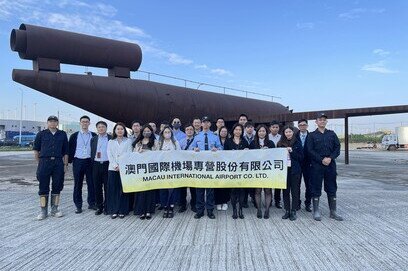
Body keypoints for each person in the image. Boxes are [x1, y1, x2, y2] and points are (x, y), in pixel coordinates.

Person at [307, 113, 343, 221]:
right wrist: (321, 159)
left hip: (330, 165)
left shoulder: (331, 134)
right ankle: (316, 211)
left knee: (332, 187)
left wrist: (330, 158)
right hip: (317, 165)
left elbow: (337, 148)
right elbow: (309, 150)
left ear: (326, 122)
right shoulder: (312, 135)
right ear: (316, 122)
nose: (322, 121)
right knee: (315, 187)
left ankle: (333, 211)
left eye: (324, 120)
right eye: (320, 120)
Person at [33, 115, 69, 220]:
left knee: (57, 185)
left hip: (58, 162)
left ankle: (54, 209)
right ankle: (43, 211)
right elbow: (36, 150)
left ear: (57, 123)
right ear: (47, 123)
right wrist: (39, 163)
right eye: (50, 121)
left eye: (54, 121)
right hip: (44, 162)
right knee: (43, 186)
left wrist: (65, 165)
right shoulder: (41, 134)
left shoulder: (62, 134)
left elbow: (66, 151)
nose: (52, 123)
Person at [192, 116, 222, 219]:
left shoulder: (215, 136)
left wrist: (216, 149)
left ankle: (210, 210)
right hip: (200, 166)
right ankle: (200, 210)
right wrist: (194, 149)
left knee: (210, 190)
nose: (205, 124)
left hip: (210, 166)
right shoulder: (196, 136)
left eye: (207, 122)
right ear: (201, 124)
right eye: (203, 122)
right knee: (199, 190)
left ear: (210, 124)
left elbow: (221, 148)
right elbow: (191, 148)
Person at [68, 115, 97, 214]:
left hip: (89, 161)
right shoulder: (74, 135)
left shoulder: (93, 135)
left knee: (91, 183)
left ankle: (92, 203)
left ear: (89, 123)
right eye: (83, 121)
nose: (85, 123)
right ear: (80, 123)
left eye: (86, 121)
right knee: (78, 184)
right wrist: (68, 162)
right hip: (78, 161)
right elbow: (70, 149)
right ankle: (78, 205)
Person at [106, 122, 132, 219]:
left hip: (124, 169)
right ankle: (114, 210)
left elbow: (129, 154)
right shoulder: (111, 142)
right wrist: (115, 165)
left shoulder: (128, 141)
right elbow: (109, 154)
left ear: (124, 130)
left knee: (123, 190)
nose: (120, 130)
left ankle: (123, 210)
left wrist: (121, 165)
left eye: (121, 129)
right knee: (113, 190)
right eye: (118, 129)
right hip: (113, 169)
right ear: (115, 131)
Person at [249, 124, 275, 219]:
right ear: (257, 132)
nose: (261, 133)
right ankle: (259, 209)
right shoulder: (253, 143)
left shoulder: (271, 143)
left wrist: (269, 151)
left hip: (268, 170)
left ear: (266, 132)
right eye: (260, 131)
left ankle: (267, 210)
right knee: (258, 190)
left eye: (263, 131)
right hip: (257, 170)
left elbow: (275, 156)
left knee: (268, 190)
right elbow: (249, 157)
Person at [133, 124, 159, 220]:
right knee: (141, 191)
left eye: (148, 131)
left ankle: (148, 211)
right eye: (144, 131)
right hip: (140, 170)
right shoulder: (138, 142)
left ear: (151, 132)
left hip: (151, 170)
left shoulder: (155, 142)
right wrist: (137, 152)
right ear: (142, 132)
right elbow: (133, 155)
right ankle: (141, 211)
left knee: (150, 191)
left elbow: (158, 154)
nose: (146, 133)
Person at [278, 126, 304, 221]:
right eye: (286, 132)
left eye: (290, 132)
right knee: (285, 191)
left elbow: (301, 157)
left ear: (293, 133)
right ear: (283, 133)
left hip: (295, 170)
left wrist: (292, 151)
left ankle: (293, 210)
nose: (288, 133)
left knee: (295, 191)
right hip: (284, 171)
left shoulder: (297, 142)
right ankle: (287, 210)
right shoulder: (280, 143)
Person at [224, 123, 249, 219]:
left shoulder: (245, 141)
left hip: (242, 169)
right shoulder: (228, 141)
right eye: (236, 129)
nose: (238, 131)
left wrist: (247, 150)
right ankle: (234, 209)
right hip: (232, 169)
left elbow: (250, 156)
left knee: (242, 190)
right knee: (233, 190)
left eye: (240, 130)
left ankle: (240, 209)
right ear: (233, 130)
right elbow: (224, 155)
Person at [158, 126, 181, 218]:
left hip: (173, 169)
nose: (167, 134)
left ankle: (171, 206)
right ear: (162, 134)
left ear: (171, 133)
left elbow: (179, 154)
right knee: (163, 189)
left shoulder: (175, 143)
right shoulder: (159, 143)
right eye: (165, 132)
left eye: (169, 132)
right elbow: (155, 155)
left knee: (172, 189)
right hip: (162, 169)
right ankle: (165, 207)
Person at [90, 121, 111, 215]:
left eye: (103, 127)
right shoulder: (93, 139)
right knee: (97, 187)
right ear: (97, 129)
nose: (101, 128)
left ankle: (107, 207)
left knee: (107, 187)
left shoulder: (111, 138)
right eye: (99, 127)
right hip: (96, 164)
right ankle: (99, 207)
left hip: (107, 164)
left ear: (106, 128)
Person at [177, 124, 197, 213]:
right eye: (187, 129)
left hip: (194, 167)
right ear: (185, 131)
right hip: (183, 167)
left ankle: (194, 204)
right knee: (182, 187)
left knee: (194, 187)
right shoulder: (180, 141)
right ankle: (182, 205)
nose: (189, 131)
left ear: (193, 131)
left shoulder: (197, 141)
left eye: (191, 129)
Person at [296, 119, 312, 212]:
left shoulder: (311, 136)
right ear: (298, 126)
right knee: (296, 185)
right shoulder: (294, 136)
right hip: (297, 164)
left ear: (307, 126)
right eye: (300, 125)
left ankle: (308, 203)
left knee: (309, 185)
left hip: (308, 164)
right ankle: (297, 203)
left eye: (304, 125)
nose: (302, 126)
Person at [269, 120, 283, 209]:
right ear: (270, 128)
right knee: (269, 182)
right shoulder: (266, 137)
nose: (275, 129)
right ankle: (269, 200)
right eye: (273, 127)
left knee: (278, 183)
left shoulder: (282, 137)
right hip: (268, 163)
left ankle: (277, 201)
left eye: (276, 127)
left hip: (278, 163)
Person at [215, 126, 229, 211]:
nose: (223, 133)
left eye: (225, 131)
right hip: (217, 165)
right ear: (219, 132)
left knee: (225, 185)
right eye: (222, 131)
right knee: (217, 184)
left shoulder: (230, 141)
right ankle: (218, 202)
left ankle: (225, 202)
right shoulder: (216, 140)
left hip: (227, 166)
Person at [243, 121, 256, 208]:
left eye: (251, 127)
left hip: (254, 163)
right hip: (244, 164)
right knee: (244, 182)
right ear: (245, 128)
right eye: (248, 127)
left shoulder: (256, 137)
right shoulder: (242, 137)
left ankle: (254, 199)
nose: (250, 129)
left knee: (253, 183)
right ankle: (244, 201)